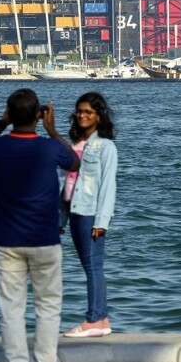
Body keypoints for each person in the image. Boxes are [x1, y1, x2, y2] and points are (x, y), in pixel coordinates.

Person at [0, 88, 78, 362]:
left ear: (9, 114)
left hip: (7, 241)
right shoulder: (48, 148)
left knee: (11, 311)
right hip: (45, 240)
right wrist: (53, 130)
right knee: (48, 308)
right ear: (37, 115)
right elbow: (74, 164)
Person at [62, 92, 118, 339]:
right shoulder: (76, 146)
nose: (82, 115)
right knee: (90, 266)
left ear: (99, 115)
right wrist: (60, 220)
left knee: (93, 267)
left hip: (90, 214)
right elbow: (68, 184)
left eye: (88, 112)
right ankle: (102, 318)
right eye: (79, 111)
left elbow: (108, 186)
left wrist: (102, 221)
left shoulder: (106, 146)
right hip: (74, 212)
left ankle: (94, 318)